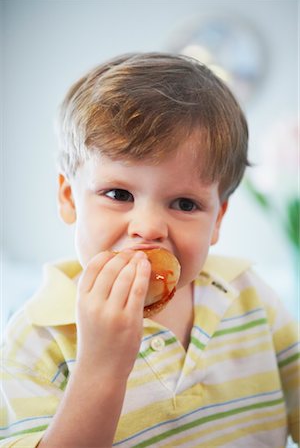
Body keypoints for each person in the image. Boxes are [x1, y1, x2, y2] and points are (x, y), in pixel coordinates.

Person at [0, 52, 299, 448]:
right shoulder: (34, 340)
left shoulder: (246, 292)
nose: (149, 228)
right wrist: (101, 370)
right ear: (70, 198)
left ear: (218, 218)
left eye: (185, 204)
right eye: (119, 194)